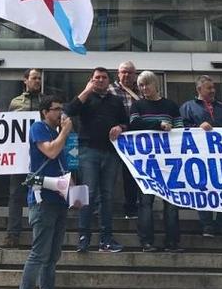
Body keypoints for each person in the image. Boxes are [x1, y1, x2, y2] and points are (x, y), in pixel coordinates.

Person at [64, 67, 128, 253]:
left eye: (104, 77)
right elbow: (68, 111)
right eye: (96, 78)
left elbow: (126, 122)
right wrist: (86, 91)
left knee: (107, 196)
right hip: (87, 151)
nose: (100, 80)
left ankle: (106, 239)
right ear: (91, 80)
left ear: (109, 81)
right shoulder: (85, 99)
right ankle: (84, 237)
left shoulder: (116, 101)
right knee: (88, 194)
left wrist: (120, 127)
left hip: (110, 152)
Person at [17, 96, 72, 289]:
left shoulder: (57, 133)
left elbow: (62, 165)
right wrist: (65, 132)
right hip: (43, 200)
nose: (60, 113)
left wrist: (73, 190)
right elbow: (51, 151)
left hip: (59, 199)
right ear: (45, 112)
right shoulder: (38, 128)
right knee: (39, 254)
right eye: (56, 109)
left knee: (52, 256)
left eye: (61, 109)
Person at [130, 70, 184, 252]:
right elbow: (134, 124)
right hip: (146, 163)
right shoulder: (137, 106)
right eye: (141, 85)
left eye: (147, 84)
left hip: (169, 163)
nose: (144, 88)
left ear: (156, 85)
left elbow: (180, 130)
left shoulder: (170, 105)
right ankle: (146, 242)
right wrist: (158, 125)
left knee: (171, 203)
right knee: (145, 203)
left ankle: (172, 242)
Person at [180, 74, 222, 239]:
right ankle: (207, 225)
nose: (213, 91)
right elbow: (181, 129)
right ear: (199, 89)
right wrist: (197, 127)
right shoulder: (188, 107)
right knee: (203, 188)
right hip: (200, 157)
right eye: (209, 88)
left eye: (214, 88)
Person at [0, 68, 46, 250]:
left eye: (39, 79)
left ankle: (40, 235)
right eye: (34, 78)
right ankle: (12, 235)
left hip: (41, 159)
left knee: (41, 197)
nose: (37, 82)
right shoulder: (15, 102)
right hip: (19, 159)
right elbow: (8, 126)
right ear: (25, 80)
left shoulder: (46, 101)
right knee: (16, 196)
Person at [107, 61, 141, 219]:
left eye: (130, 72)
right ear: (118, 74)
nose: (126, 75)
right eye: (123, 72)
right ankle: (104, 209)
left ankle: (131, 208)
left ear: (135, 75)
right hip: (112, 139)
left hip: (134, 141)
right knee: (108, 175)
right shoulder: (109, 90)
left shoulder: (141, 91)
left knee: (131, 176)